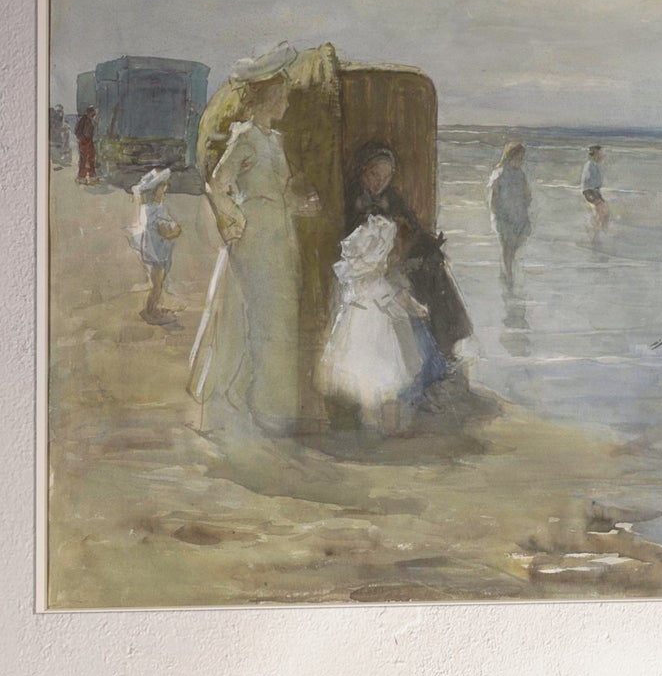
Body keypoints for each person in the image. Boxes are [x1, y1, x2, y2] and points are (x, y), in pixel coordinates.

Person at [187, 52, 314, 439]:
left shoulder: (276, 140)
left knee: (277, 321)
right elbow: (217, 184)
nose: (286, 103)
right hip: (256, 239)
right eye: (282, 96)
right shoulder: (244, 137)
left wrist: (301, 207)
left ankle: (268, 404)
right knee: (256, 320)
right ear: (265, 98)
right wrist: (236, 219)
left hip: (280, 235)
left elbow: (279, 192)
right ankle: (250, 405)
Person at [345, 140, 473, 360]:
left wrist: (425, 244)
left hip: (398, 256)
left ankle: (450, 337)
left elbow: (413, 228)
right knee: (418, 276)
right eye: (375, 175)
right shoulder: (353, 199)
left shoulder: (391, 197)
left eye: (386, 178)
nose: (380, 183)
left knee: (434, 267)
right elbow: (357, 246)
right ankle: (438, 345)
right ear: (363, 170)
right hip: (373, 265)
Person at [317, 215, 438, 433]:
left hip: (353, 334)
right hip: (376, 337)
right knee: (387, 381)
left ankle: (370, 420)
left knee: (364, 381)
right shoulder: (378, 284)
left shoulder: (353, 281)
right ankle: (389, 425)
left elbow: (344, 307)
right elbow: (396, 300)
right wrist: (417, 308)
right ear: (381, 256)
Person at [129, 167, 182, 325]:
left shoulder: (149, 208)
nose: (165, 191)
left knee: (157, 282)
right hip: (156, 251)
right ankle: (151, 311)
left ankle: (153, 308)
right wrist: (177, 232)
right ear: (155, 191)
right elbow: (165, 232)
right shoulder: (157, 210)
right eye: (162, 189)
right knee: (157, 285)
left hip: (153, 249)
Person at [486, 141, 532, 286]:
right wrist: (496, 212)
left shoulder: (520, 174)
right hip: (503, 216)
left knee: (515, 245)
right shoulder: (499, 173)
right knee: (507, 245)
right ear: (510, 156)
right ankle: (508, 274)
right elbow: (493, 197)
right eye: (518, 158)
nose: (520, 161)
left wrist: (525, 202)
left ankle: (506, 268)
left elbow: (527, 193)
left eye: (522, 158)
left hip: (519, 215)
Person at [581, 144, 609, 239]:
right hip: (590, 191)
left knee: (605, 211)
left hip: (595, 191)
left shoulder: (595, 165)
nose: (601, 156)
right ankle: (595, 234)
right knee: (600, 211)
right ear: (594, 154)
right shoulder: (590, 165)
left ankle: (601, 231)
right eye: (599, 153)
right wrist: (593, 194)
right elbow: (587, 183)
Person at [74, 105, 98, 185]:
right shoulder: (83, 120)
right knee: (83, 160)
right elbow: (77, 131)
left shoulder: (91, 120)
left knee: (91, 159)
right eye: (93, 113)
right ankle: (82, 177)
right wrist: (83, 140)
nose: (94, 115)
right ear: (89, 112)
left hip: (89, 142)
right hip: (84, 142)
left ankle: (92, 177)